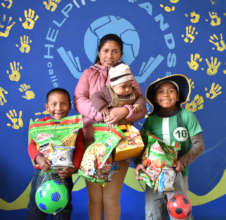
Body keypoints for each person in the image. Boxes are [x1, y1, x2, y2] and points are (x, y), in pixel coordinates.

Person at [74, 33, 146, 220]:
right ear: (99, 52)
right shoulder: (88, 74)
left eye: (115, 51)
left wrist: (125, 112)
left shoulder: (127, 76)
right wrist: (103, 115)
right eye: (106, 50)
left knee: (112, 198)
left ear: (121, 54)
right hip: (92, 144)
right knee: (95, 198)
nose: (110, 55)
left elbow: (141, 104)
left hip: (120, 145)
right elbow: (79, 100)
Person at [135, 74, 204, 220]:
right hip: (152, 176)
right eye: (161, 91)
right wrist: (139, 164)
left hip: (178, 174)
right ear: (154, 98)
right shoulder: (150, 121)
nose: (166, 94)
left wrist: (182, 162)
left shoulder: (186, 116)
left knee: (179, 213)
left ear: (178, 97)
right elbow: (141, 147)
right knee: (153, 213)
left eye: (171, 90)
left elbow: (198, 145)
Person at [26, 88, 85, 220]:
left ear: (69, 106)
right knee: (35, 210)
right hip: (42, 174)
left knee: (62, 212)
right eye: (54, 104)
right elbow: (31, 145)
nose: (58, 108)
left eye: (63, 103)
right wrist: (39, 158)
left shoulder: (75, 126)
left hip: (64, 175)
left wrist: (73, 167)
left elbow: (80, 148)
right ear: (47, 107)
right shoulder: (39, 125)